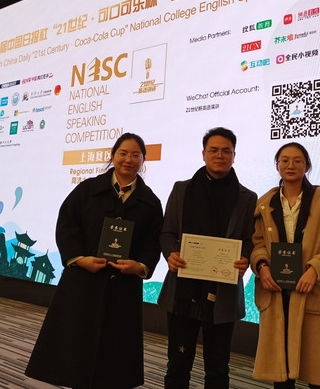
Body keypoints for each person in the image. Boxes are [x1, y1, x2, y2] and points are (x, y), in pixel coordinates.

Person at [25, 133, 163, 389]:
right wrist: (79, 259)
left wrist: (140, 266)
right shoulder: (87, 190)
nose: (128, 159)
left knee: (115, 352)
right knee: (77, 345)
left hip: (124, 285)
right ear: (113, 156)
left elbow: (153, 242)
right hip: (83, 281)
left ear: (143, 160)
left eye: (135, 155)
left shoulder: (151, 202)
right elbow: (67, 225)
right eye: (123, 153)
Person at [158, 127, 257, 389]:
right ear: (204, 154)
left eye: (226, 151)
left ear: (234, 155)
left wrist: (245, 257)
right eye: (213, 150)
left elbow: (251, 239)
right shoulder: (182, 190)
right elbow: (167, 232)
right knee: (178, 364)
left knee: (218, 366)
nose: (219, 155)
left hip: (222, 291)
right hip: (183, 289)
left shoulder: (247, 198)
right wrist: (171, 253)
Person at [250, 142, 320, 389]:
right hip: (277, 294)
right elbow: (257, 244)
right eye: (284, 160)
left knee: (318, 376)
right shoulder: (265, 203)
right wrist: (262, 266)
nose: (291, 165)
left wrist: (316, 269)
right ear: (277, 166)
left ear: (307, 166)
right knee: (281, 376)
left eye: (298, 160)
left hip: (312, 292)